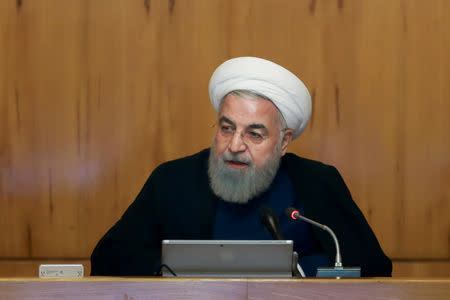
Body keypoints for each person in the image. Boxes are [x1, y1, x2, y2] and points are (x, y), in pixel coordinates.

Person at [90, 57, 392, 277]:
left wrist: (297, 271)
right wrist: (172, 272)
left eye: (254, 134)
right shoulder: (172, 180)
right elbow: (108, 258)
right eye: (226, 128)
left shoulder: (316, 183)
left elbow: (374, 267)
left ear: (284, 141)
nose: (235, 145)